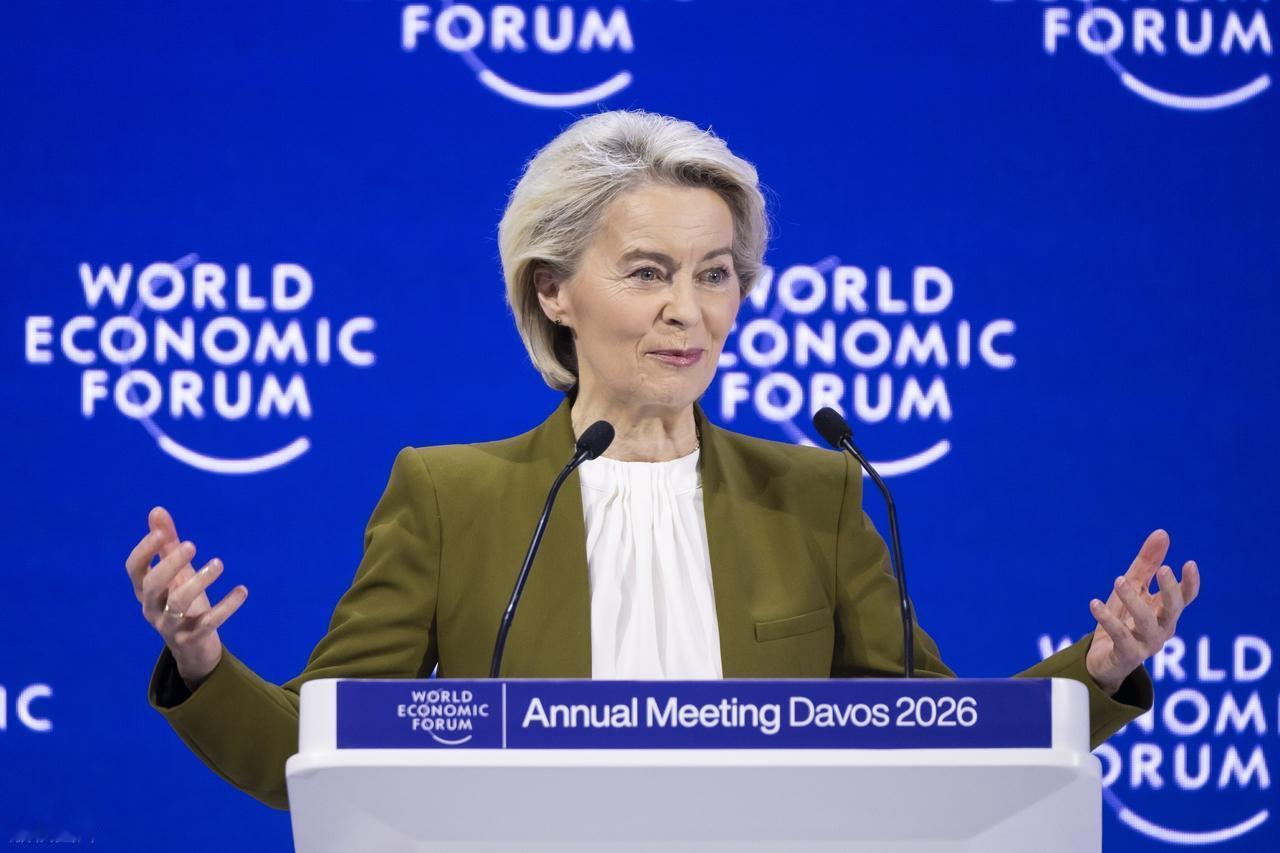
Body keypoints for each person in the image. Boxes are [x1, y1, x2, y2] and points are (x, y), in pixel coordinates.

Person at [126, 110, 1200, 811]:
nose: (689, 310)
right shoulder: (450, 498)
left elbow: (937, 741)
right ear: (553, 290)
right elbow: (315, 754)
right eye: (647, 272)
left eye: (715, 273)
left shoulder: (819, 495)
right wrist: (205, 663)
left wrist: (1100, 672)